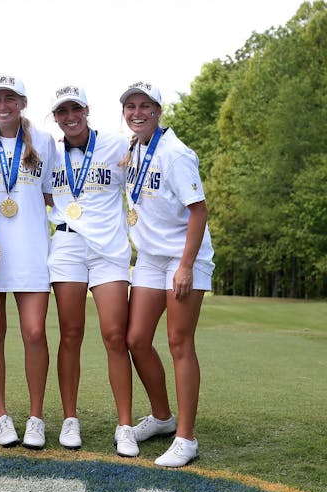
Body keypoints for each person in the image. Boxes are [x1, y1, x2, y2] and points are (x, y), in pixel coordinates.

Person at [119, 81, 215, 467]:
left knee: (179, 343)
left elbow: (199, 211)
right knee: (136, 339)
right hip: (150, 258)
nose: (137, 112)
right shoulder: (134, 149)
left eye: (145, 106)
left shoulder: (175, 154)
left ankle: (186, 438)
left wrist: (187, 266)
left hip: (182, 258)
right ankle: (162, 417)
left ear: (158, 111)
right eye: (130, 107)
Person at [46, 85, 137, 457]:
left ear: (87, 110)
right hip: (67, 246)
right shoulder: (48, 153)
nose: (70, 117)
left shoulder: (118, 147)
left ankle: (125, 425)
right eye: (62, 111)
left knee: (115, 335)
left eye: (75, 109)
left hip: (109, 251)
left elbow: (141, 177)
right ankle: (70, 419)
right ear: (55, 117)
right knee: (70, 333)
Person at [0, 75, 55, 449]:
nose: (2, 105)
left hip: (33, 250)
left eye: (9, 98)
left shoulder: (45, 142)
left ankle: (36, 417)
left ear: (22, 102)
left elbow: (52, 194)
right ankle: (1, 416)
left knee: (34, 332)